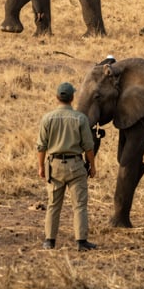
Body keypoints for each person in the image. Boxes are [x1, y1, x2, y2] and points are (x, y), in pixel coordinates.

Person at [37, 81, 98, 251]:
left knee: (53, 205)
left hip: (54, 166)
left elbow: (41, 146)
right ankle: (81, 241)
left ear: (57, 97)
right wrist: (92, 166)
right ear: (72, 98)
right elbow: (88, 146)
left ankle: (49, 240)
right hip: (76, 165)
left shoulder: (47, 118)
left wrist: (41, 167)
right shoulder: (80, 118)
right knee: (79, 205)